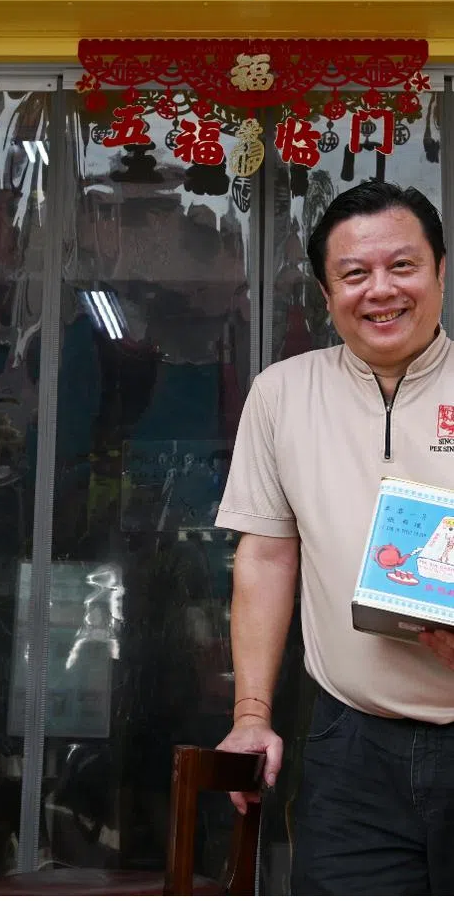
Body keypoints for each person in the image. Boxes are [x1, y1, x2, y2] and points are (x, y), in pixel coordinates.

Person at [214, 180, 454, 893]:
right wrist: (252, 715)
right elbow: (265, 555)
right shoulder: (282, 393)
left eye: (402, 266)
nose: (379, 290)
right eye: (354, 274)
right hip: (350, 744)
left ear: (441, 270)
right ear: (326, 293)